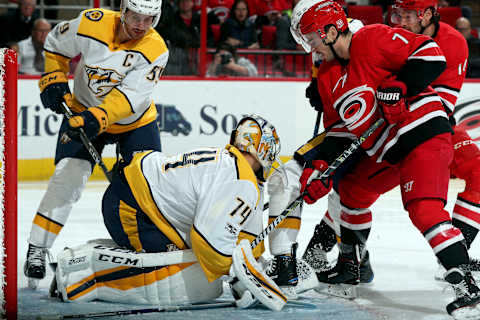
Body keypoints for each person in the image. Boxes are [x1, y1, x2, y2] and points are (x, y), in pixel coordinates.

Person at [274, 0, 480, 317]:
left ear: (330, 31)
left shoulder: (371, 38)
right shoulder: (328, 76)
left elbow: (430, 55)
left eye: (312, 40)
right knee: (352, 191)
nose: (310, 50)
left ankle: (466, 286)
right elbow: (341, 133)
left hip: (422, 134)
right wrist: (320, 169)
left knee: (423, 208)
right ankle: (350, 266)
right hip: (387, 149)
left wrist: (400, 84)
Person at [50, 115, 286, 310]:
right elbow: (208, 245)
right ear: (260, 147)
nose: (272, 158)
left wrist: (251, 262)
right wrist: (237, 275)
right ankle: (83, 276)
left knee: (198, 260)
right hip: (131, 207)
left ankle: (86, 261)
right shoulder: (239, 179)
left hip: (132, 198)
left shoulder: (233, 168)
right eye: (271, 150)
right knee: (196, 276)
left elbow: (244, 238)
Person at [24, 0, 168, 289]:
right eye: (136, 17)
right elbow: (55, 43)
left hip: (134, 123)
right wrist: (53, 75)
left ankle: (154, 247)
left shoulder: (156, 49)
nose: (141, 25)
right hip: (81, 113)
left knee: (149, 186)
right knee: (68, 177)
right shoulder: (92, 22)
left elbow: (130, 98)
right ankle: (37, 248)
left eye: (149, 19)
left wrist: (97, 117)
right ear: (123, 10)